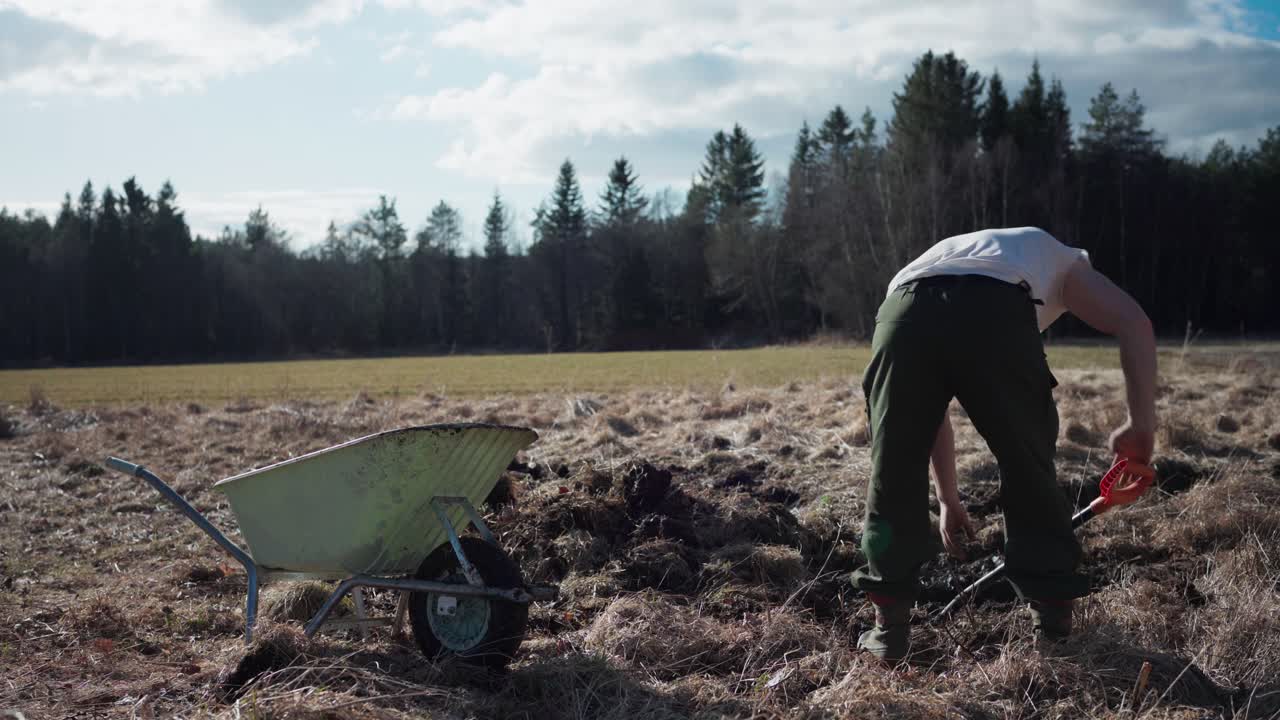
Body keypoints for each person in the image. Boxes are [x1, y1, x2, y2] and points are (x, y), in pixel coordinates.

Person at [852, 226, 1157, 663]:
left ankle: (887, 634)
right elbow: (1134, 321)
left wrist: (947, 497)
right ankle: (1053, 633)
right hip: (994, 310)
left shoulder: (938, 258)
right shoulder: (1062, 259)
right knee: (1028, 464)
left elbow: (930, 411)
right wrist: (1140, 425)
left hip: (901, 312)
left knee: (892, 472)